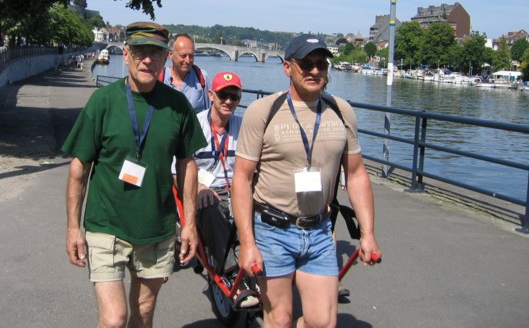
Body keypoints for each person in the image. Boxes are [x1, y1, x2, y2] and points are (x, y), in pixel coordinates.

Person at [63, 21, 208, 328]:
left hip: (156, 229)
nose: (147, 60)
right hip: (106, 226)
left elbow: (187, 165)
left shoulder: (178, 105)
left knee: (142, 316)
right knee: (114, 319)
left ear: (165, 58)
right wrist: (73, 228)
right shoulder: (103, 102)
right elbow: (79, 168)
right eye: (140, 52)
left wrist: (190, 224)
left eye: (155, 54)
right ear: (125, 54)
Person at [231, 33, 381, 328]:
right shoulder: (264, 111)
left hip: (320, 230)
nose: (314, 71)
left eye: (321, 64)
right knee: (280, 318)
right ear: (287, 67)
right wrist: (247, 242)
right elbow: (242, 178)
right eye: (306, 64)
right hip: (273, 228)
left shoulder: (341, 111)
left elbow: (356, 174)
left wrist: (367, 233)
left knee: (321, 322)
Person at [192, 71, 258, 308]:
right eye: (223, 95)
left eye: (234, 96)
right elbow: (178, 169)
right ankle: (231, 273)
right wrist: (198, 186)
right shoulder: (195, 125)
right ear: (211, 95)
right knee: (209, 206)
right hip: (206, 190)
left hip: (237, 190)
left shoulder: (245, 126)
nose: (229, 101)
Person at [160, 33, 210, 113]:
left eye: (191, 56)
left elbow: (208, 112)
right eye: (183, 56)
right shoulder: (159, 78)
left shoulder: (202, 77)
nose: (187, 60)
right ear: (170, 54)